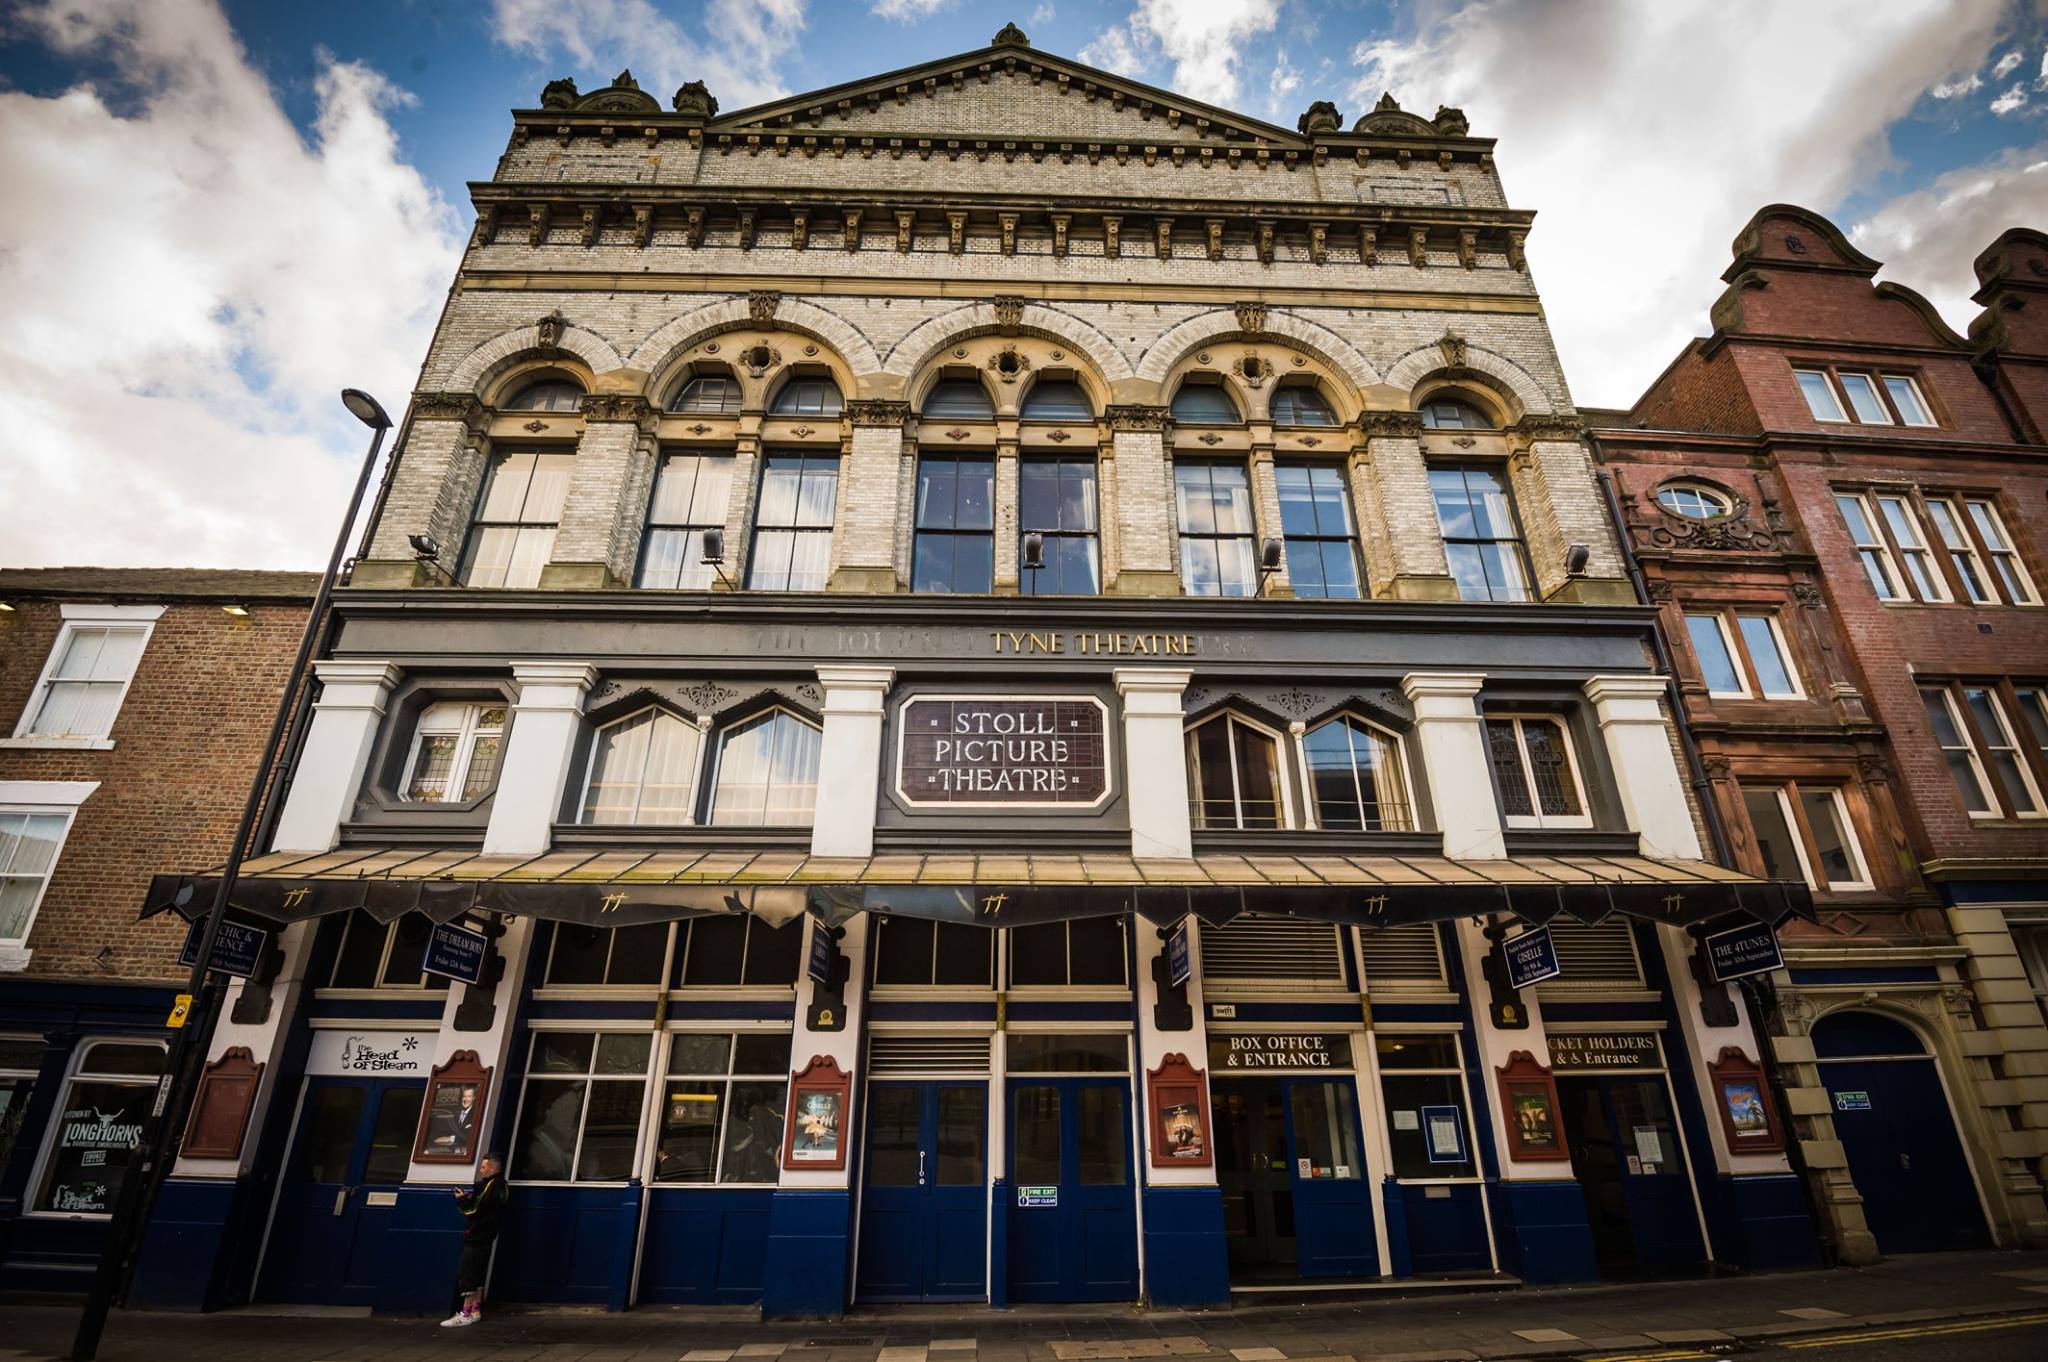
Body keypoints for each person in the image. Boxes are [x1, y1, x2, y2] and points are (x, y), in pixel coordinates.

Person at [442, 1154, 507, 1328]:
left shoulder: (492, 1186)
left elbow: (476, 1211)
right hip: (486, 1236)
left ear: (493, 1169)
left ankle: (466, 1313)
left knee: (468, 1273)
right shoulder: (500, 1185)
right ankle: (475, 1310)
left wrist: (462, 1200)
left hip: (477, 1236)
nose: (481, 1170)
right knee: (477, 1274)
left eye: (484, 1167)